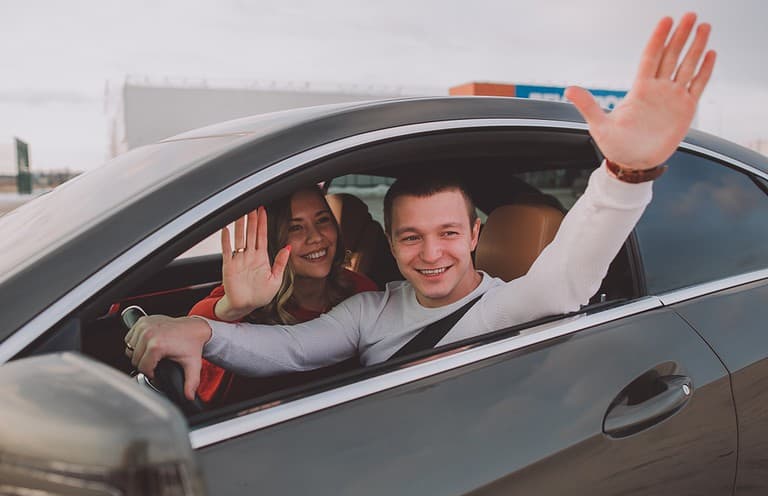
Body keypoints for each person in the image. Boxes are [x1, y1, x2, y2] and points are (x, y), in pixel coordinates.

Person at [125, 13, 717, 401]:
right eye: (410, 237)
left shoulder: (507, 305)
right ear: (389, 238)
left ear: (476, 232)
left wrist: (623, 175)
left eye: (448, 233)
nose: (431, 254)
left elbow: (566, 278)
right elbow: (290, 349)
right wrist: (203, 326)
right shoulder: (373, 310)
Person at [188, 186, 378, 404]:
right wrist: (233, 308)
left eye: (323, 220)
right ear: (273, 238)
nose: (315, 237)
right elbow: (196, 324)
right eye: (295, 227)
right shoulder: (251, 293)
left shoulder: (359, 290)